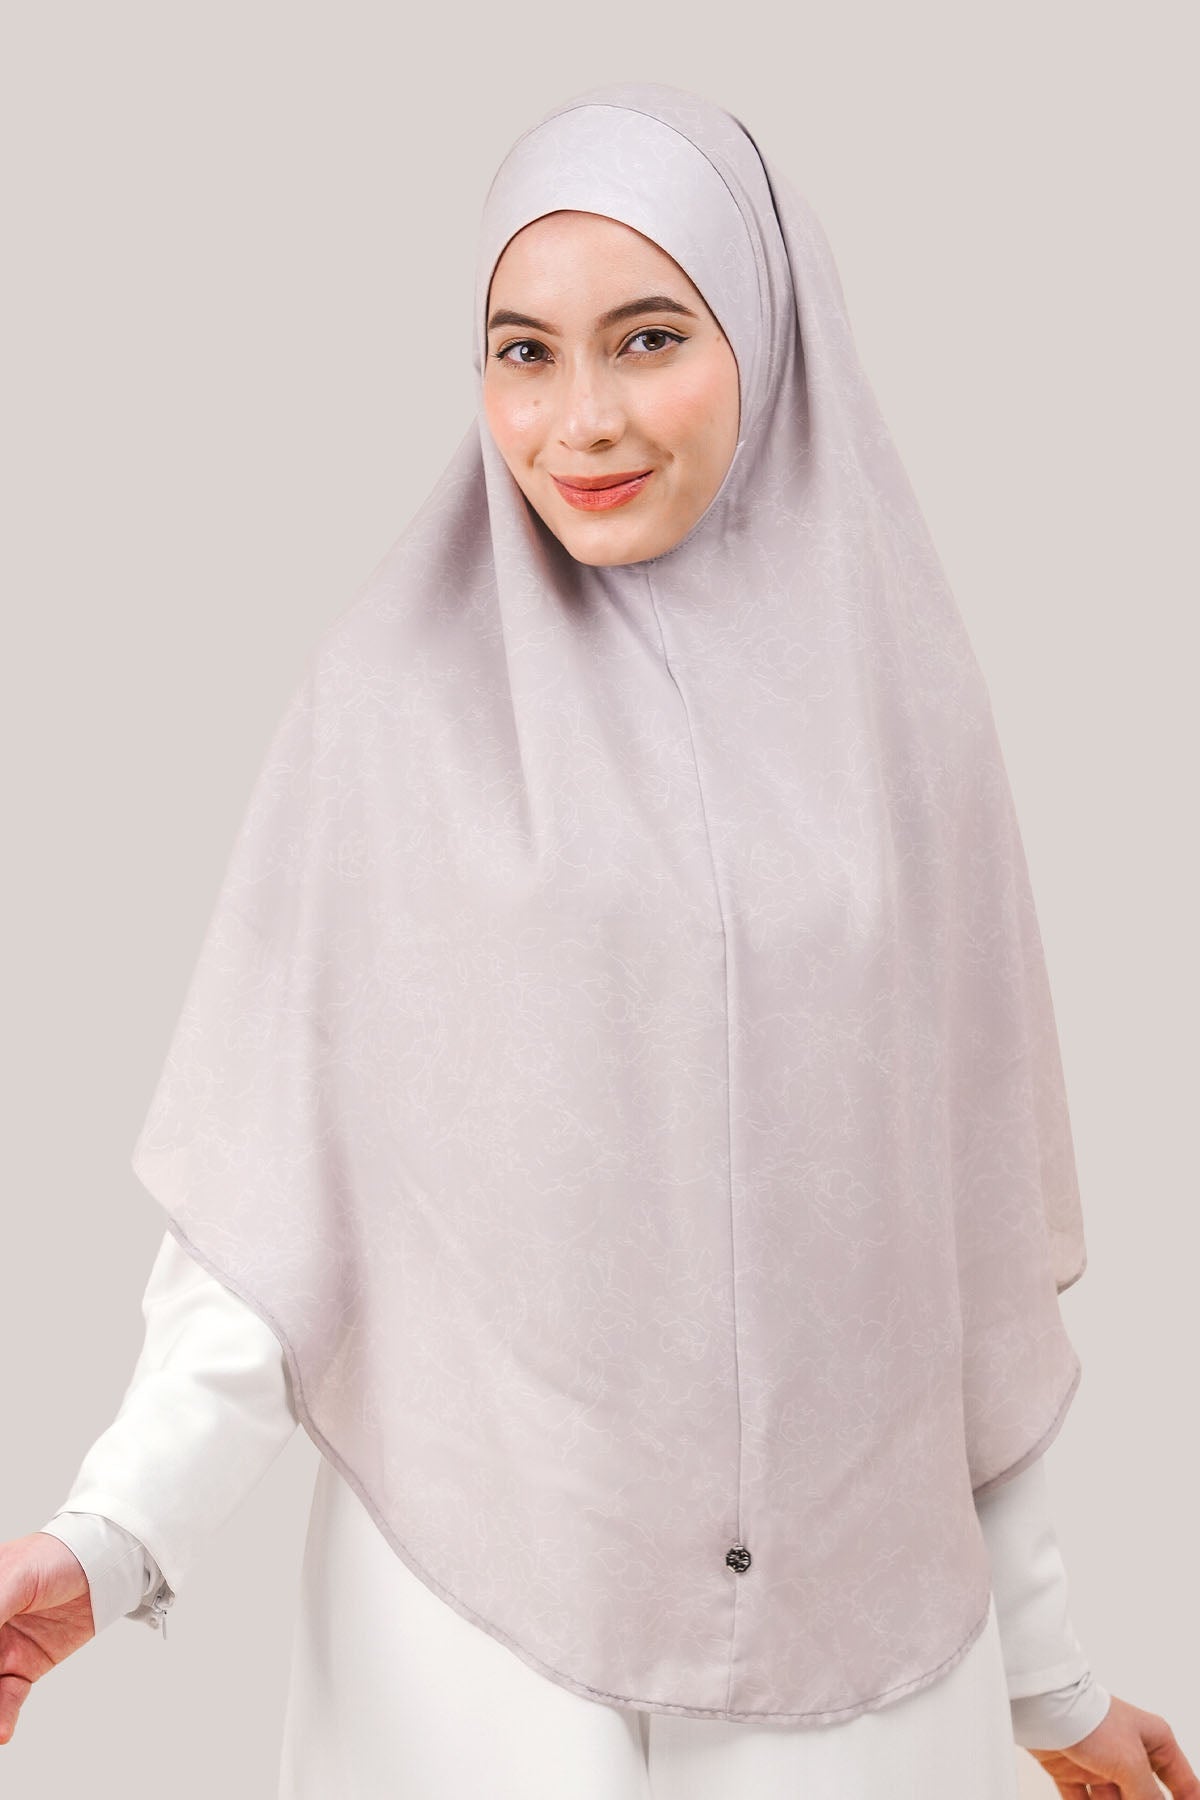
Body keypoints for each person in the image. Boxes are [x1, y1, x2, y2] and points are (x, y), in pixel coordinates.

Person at [2, 81, 1194, 1800]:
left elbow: (957, 1261)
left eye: (649, 338)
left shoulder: (904, 722)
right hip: (472, 1649)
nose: (583, 419)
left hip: (858, 1673)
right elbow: (269, 1224)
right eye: (525, 352)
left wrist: (1053, 1680)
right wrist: (111, 1540)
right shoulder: (391, 712)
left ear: (769, 337)